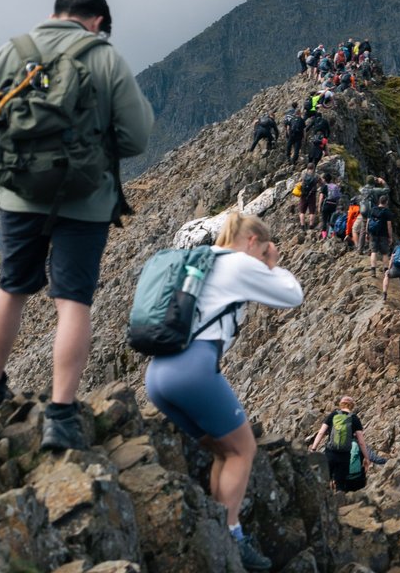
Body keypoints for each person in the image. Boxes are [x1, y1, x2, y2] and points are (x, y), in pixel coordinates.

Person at [0, 0, 155, 447]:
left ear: (54, 15)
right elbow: (137, 137)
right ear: (98, 23)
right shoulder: (103, 58)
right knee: (73, 302)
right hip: (85, 201)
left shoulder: (13, 51)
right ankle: (62, 414)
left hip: (19, 194)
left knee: (11, 289)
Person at [144, 213, 302, 571]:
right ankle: (232, 537)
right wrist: (272, 262)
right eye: (262, 249)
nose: (263, 256)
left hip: (158, 375)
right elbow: (293, 295)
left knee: (222, 450)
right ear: (251, 242)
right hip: (193, 370)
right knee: (243, 450)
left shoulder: (201, 260)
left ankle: (219, 533)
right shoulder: (238, 264)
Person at [309, 395, 385, 492]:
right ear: (352, 406)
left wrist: (313, 449)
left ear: (341, 404)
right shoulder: (354, 418)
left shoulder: (333, 415)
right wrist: (366, 458)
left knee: (325, 481)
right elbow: (361, 442)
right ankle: (340, 501)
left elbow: (321, 433)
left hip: (330, 453)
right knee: (340, 484)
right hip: (344, 456)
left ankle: (324, 503)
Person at [365, 194, 394, 272]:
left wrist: (367, 233)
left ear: (379, 201)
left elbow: (368, 222)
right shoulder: (387, 212)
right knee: (385, 253)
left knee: (373, 252)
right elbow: (389, 226)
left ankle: (373, 269)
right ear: (386, 202)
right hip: (383, 234)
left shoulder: (372, 210)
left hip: (373, 233)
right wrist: (390, 237)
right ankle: (385, 270)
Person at [296, 165, 321, 230]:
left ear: (307, 168)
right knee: (312, 211)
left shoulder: (303, 175)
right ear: (313, 168)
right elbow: (321, 183)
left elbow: (299, 182)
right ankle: (311, 225)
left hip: (303, 195)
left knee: (302, 211)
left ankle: (302, 226)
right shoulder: (316, 176)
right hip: (312, 195)